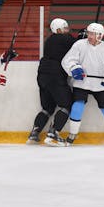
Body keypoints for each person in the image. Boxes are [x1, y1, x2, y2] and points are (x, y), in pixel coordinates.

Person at [61, 22, 104, 146]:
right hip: (82, 82)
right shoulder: (79, 44)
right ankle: (72, 135)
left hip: (100, 84)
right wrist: (74, 69)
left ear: (99, 35)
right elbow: (67, 60)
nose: (89, 36)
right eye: (89, 33)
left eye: (92, 34)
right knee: (77, 106)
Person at [27, 18, 78, 147]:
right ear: (59, 29)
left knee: (47, 108)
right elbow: (78, 45)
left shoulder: (49, 40)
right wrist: (82, 37)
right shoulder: (62, 38)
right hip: (55, 76)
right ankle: (53, 133)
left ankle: (35, 132)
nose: (67, 30)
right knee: (66, 104)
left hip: (42, 75)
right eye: (65, 28)